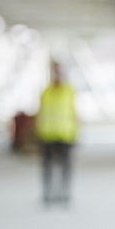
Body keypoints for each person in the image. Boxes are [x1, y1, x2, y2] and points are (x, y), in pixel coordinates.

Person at [37, 59, 78, 206]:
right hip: (47, 135)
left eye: (59, 71)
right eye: (54, 71)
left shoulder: (69, 91)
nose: (57, 74)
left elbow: (74, 113)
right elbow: (40, 113)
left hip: (65, 135)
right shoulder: (45, 92)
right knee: (47, 167)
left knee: (65, 167)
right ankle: (48, 193)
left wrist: (76, 133)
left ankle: (64, 193)